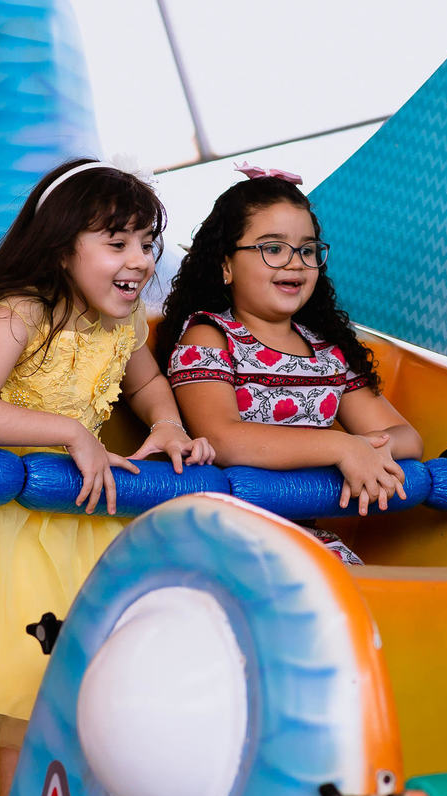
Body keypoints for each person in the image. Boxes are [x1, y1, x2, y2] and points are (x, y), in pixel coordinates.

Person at [0, 158, 213, 796]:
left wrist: (169, 425)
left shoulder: (122, 323)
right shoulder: (22, 311)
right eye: (118, 242)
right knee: (31, 690)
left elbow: (149, 381)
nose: (141, 260)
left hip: (82, 515)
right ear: (62, 248)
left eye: (149, 244)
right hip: (10, 521)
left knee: (112, 682)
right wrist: (71, 432)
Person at [156, 164, 423, 564]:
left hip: (303, 538)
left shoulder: (327, 352)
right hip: (227, 538)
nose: (295, 262)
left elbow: (407, 438)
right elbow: (225, 439)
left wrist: (360, 448)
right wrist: (337, 446)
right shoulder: (210, 337)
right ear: (226, 265)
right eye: (273, 248)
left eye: (308, 249)